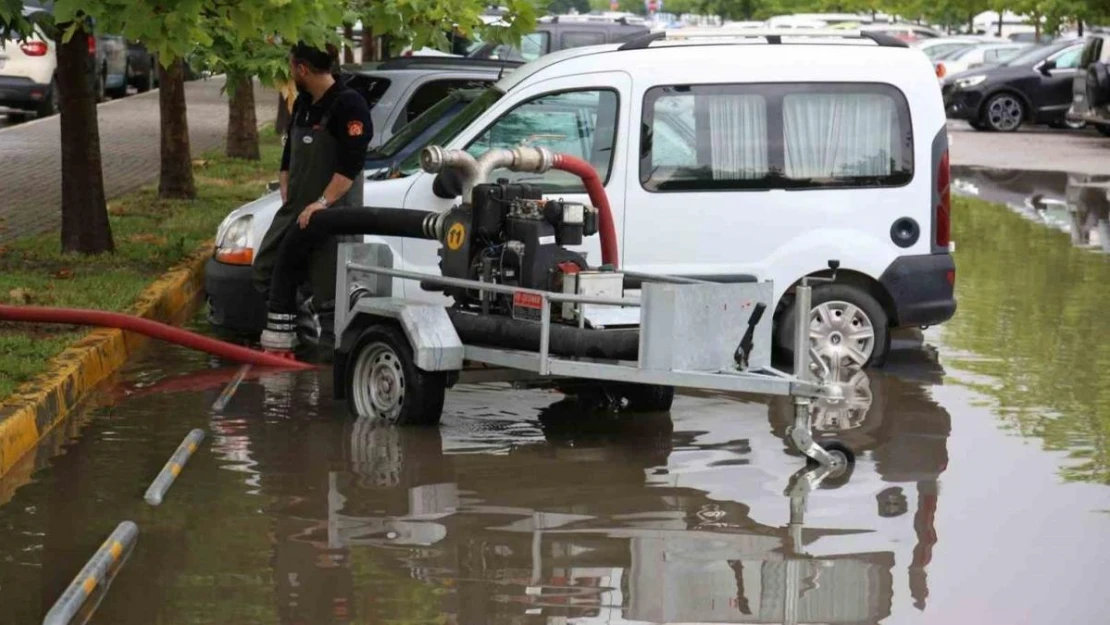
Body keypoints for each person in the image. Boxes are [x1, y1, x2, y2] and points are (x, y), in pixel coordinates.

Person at [255, 41, 373, 353]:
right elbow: (290, 151)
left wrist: (322, 203)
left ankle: (328, 363)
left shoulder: (350, 105)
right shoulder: (303, 103)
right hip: (295, 209)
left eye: (292, 66)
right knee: (266, 269)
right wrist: (284, 180)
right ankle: (299, 336)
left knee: (331, 293)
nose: (290, 72)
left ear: (302, 69)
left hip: (332, 213)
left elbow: (350, 168)